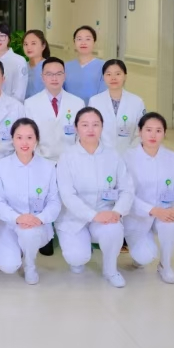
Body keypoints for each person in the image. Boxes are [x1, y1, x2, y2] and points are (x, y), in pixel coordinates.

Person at [56, 107, 135, 288]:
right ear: (76, 128)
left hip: (106, 213)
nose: (90, 129)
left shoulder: (113, 155)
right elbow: (67, 195)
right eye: (85, 125)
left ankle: (110, 269)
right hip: (74, 218)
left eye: (95, 125)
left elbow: (127, 189)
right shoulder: (67, 157)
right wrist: (93, 215)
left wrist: (117, 212)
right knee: (77, 258)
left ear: (102, 127)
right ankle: (81, 253)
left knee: (114, 230)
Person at [123, 113, 174, 284]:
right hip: (137, 216)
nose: (153, 135)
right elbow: (125, 194)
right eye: (148, 130)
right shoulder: (127, 158)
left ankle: (165, 265)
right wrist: (152, 210)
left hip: (165, 212)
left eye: (158, 130)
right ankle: (139, 254)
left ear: (164, 133)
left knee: (173, 224)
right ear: (139, 131)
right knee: (145, 256)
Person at [0, 119, 60, 285]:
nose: (24, 143)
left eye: (29, 137)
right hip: (9, 223)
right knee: (8, 266)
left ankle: (30, 265)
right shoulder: (0, 166)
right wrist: (17, 218)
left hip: (37, 224)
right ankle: (17, 251)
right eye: (19, 137)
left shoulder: (48, 167)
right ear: (12, 139)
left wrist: (40, 219)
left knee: (28, 234)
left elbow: (54, 202)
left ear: (37, 139)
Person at [24, 57, 86, 163]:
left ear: (64, 76)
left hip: (71, 161)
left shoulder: (78, 103)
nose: (54, 78)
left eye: (59, 74)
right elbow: (29, 136)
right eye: (49, 74)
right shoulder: (30, 104)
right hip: (41, 161)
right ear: (42, 77)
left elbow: (81, 136)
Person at [89, 59, 145, 154]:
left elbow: (140, 132)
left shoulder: (137, 102)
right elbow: (91, 131)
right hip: (101, 155)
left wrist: (131, 152)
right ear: (103, 77)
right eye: (108, 74)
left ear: (125, 76)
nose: (113, 78)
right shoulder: (94, 101)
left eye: (118, 74)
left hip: (129, 154)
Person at [63, 26, 106, 104]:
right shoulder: (65, 67)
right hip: (69, 109)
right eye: (79, 39)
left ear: (94, 42)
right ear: (74, 42)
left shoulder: (104, 67)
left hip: (95, 110)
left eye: (88, 39)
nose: (83, 43)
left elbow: (104, 96)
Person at [0, 22, 28, 103]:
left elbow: (19, 94)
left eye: (2, 36)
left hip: (12, 108)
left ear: (9, 38)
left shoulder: (19, 61)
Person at [22, 29, 51, 100]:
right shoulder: (22, 66)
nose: (29, 47)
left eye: (33, 43)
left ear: (43, 46)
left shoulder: (50, 67)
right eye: (25, 44)